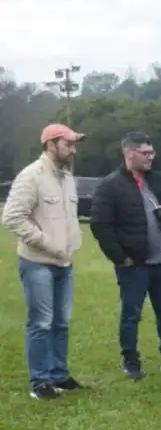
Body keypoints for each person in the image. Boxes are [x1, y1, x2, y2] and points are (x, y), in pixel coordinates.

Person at [89, 131, 161, 380]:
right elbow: (100, 225)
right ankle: (131, 363)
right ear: (129, 152)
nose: (150, 158)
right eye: (145, 153)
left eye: (152, 152)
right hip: (134, 265)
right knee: (131, 315)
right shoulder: (110, 185)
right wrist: (120, 257)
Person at [1, 124, 86, 400]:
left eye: (74, 145)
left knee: (62, 321)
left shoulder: (67, 177)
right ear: (50, 144)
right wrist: (46, 242)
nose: (73, 150)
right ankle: (40, 382)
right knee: (41, 322)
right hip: (37, 261)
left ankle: (59, 375)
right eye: (68, 144)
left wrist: (71, 244)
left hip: (65, 262)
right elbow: (12, 217)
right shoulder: (31, 176)